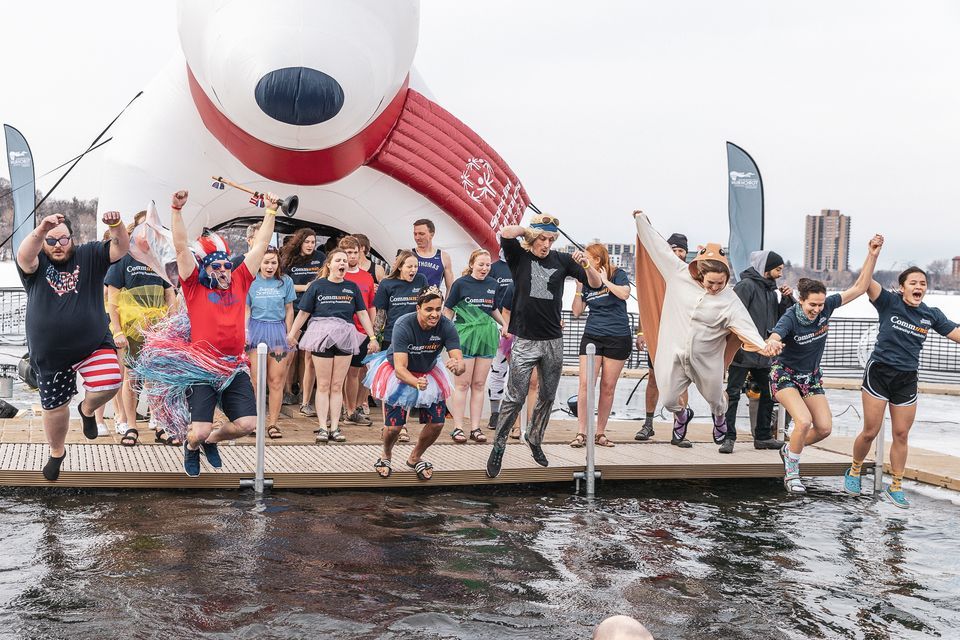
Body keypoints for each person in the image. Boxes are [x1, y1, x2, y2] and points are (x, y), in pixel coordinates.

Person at [632, 210, 780, 449]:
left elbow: (746, 326)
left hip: (707, 359)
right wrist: (641, 221)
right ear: (700, 273)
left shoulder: (729, 299)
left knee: (715, 400)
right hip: (675, 355)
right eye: (711, 282)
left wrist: (765, 346)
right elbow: (658, 248)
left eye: (720, 283)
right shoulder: (677, 275)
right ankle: (682, 416)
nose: (715, 287)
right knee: (668, 399)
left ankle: (719, 418)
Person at [764, 235, 884, 493]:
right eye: (812, 305)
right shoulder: (790, 318)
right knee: (803, 421)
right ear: (801, 299)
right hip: (784, 375)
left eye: (820, 304)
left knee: (824, 428)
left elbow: (860, 288)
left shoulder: (828, 306)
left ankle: (790, 448)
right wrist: (773, 342)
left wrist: (872, 254)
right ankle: (792, 472)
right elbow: (775, 335)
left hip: (811, 377)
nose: (817, 309)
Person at [171, 189, 278, 477]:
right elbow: (181, 248)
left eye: (226, 265)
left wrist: (270, 212)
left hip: (233, 366)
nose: (223, 270)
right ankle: (193, 446)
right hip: (201, 368)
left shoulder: (241, 279)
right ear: (206, 269)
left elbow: (262, 244)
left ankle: (212, 441)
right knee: (199, 431)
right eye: (216, 266)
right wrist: (176, 211)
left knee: (247, 424)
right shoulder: (194, 286)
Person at [486, 213, 602, 478]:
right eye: (542, 238)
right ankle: (499, 446)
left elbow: (594, 285)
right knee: (515, 396)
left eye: (551, 239)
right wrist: (529, 231)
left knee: (548, 395)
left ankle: (535, 439)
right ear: (533, 238)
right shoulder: (519, 257)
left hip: (552, 339)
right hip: (525, 339)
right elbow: (506, 232)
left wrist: (588, 266)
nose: (546, 243)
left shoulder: (561, 260)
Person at [17, 210, 129, 481]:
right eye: (51, 241)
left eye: (63, 240)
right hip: (51, 352)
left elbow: (120, 248)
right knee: (55, 408)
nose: (57, 246)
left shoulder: (89, 254)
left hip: (91, 343)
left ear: (72, 239)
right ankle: (57, 453)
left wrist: (116, 225)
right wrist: (41, 229)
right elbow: (24, 256)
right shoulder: (37, 263)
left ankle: (87, 410)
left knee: (111, 380)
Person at [844, 266, 960, 508]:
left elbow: (956, 333)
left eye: (923, 284)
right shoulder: (888, 302)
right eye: (913, 283)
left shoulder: (931, 314)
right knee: (870, 430)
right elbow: (865, 282)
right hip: (879, 373)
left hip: (906, 378)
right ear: (902, 286)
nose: (919, 287)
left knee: (901, 433)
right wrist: (873, 254)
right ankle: (854, 470)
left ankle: (895, 485)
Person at [365, 287, 465, 481]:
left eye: (438, 309)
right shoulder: (404, 324)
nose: (434, 314)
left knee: (437, 423)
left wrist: (458, 366)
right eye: (429, 309)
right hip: (400, 374)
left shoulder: (446, 326)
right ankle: (386, 454)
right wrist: (415, 382)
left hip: (429, 372)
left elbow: (459, 362)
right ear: (418, 308)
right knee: (395, 427)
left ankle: (415, 457)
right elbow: (400, 369)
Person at [287, 249, 379, 443]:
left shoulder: (352, 287)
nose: (342, 264)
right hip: (321, 335)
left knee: (337, 385)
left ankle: (335, 427)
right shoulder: (317, 286)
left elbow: (362, 313)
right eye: (338, 260)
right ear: (329, 264)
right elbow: (303, 313)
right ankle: (322, 427)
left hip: (345, 335)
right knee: (323, 384)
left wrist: (372, 337)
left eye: (345, 261)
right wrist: (292, 334)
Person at [105, 216, 177, 447]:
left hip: (158, 330)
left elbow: (170, 294)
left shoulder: (160, 259)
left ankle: (161, 426)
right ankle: (131, 426)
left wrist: (172, 325)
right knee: (132, 378)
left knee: (158, 379)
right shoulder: (124, 259)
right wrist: (117, 331)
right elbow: (113, 301)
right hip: (131, 330)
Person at [721, 250, 796, 453]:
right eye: (778, 269)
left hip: (765, 352)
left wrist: (787, 300)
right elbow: (732, 314)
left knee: (769, 394)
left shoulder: (771, 291)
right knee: (733, 394)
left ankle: (762, 436)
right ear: (766, 268)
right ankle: (728, 436)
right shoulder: (746, 286)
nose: (780, 273)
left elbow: (780, 319)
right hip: (743, 350)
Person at [570, 243, 632, 448]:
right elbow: (577, 312)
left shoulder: (617, 274)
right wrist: (579, 289)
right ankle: (581, 432)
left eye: (587, 258)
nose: (583, 262)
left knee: (608, 387)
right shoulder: (587, 280)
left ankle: (600, 433)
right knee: (586, 384)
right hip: (593, 336)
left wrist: (605, 281)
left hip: (618, 336)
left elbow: (624, 294)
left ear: (597, 260)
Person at [443, 249, 507, 444]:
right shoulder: (460, 284)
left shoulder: (492, 284)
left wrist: (504, 324)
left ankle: (476, 428)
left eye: (488, 265)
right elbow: (448, 310)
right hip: (465, 336)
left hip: (486, 336)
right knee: (462, 384)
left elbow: (493, 308)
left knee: (479, 384)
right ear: (472, 264)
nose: (485, 268)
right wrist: (446, 336)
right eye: (481, 264)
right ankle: (458, 427)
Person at [369, 250, 429, 442]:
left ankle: (402, 425)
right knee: (392, 382)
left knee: (409, 380)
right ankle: (389, 423)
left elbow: (427, 308)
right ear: (400, 266)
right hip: (392, 338)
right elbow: (381, 313)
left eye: (415, 266)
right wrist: (375, 337)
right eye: (409, 266)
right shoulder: (388, 283)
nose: (413, 270)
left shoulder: (421, 281)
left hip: (415, 338)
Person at [634, 233, 688, 441]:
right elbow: (646, 304)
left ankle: (679, 430)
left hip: (682, 336)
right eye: (673, 249)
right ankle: (648, 424)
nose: (677, 254)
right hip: (658, 334)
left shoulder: (690, 274)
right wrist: (641, 331)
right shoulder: (657, 271)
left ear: (685, 253)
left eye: (681, 250)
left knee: (682, 382)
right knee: (654, 379)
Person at [246, 246, 297, 439]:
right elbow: (246, 309)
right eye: (266, 262)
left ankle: (273, 423)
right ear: (259, 262)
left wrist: (290, 333)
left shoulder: (286, 281)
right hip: (256, 330)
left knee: (276, 380)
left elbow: (289, 309)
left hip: (277, 332)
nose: (269, 266)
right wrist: (245, 332)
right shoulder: (251, 281)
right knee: (256, 380)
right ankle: (255, 421)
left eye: (273, 262)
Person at [279, 228, 326, 413]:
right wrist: (304, 287)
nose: (310, 245)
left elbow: (323, 278)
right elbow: (283, 281)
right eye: (307, 242)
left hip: (315, 310)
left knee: (306, 353)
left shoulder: (320, 257)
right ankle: (286, 390)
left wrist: (312, 288)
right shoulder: (289, 258)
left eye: (313, 242)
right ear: (300, 242)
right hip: (295, 307)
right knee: (290, 352)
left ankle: (302, 393)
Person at [339, 236, 377, 427]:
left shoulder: (367, 276)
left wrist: (372, 333)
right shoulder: (338, 275)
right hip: (342, 330)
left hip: (362, 331)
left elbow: (371, 306)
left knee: (360, 371)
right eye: (347, 253)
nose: (351, 256)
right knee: (343, 373)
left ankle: (355, 408)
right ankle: (345, 408)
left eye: (354, 252)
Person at [485, 252, 514, 428]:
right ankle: (495, 413)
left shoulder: (523, 265)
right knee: (498, 370)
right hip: (498, 324)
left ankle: (511, 413)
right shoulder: (494, 268)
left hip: (522, 325)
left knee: (518, 372)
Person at [412, 218, 454, 290]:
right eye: (415, 234)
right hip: (411, 300)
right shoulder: (409, 255)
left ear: (432, 234)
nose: (417, 237)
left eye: (421, 234)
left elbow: (451, 287)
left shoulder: (443, 257)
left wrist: (447, 301)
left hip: (433, 300)